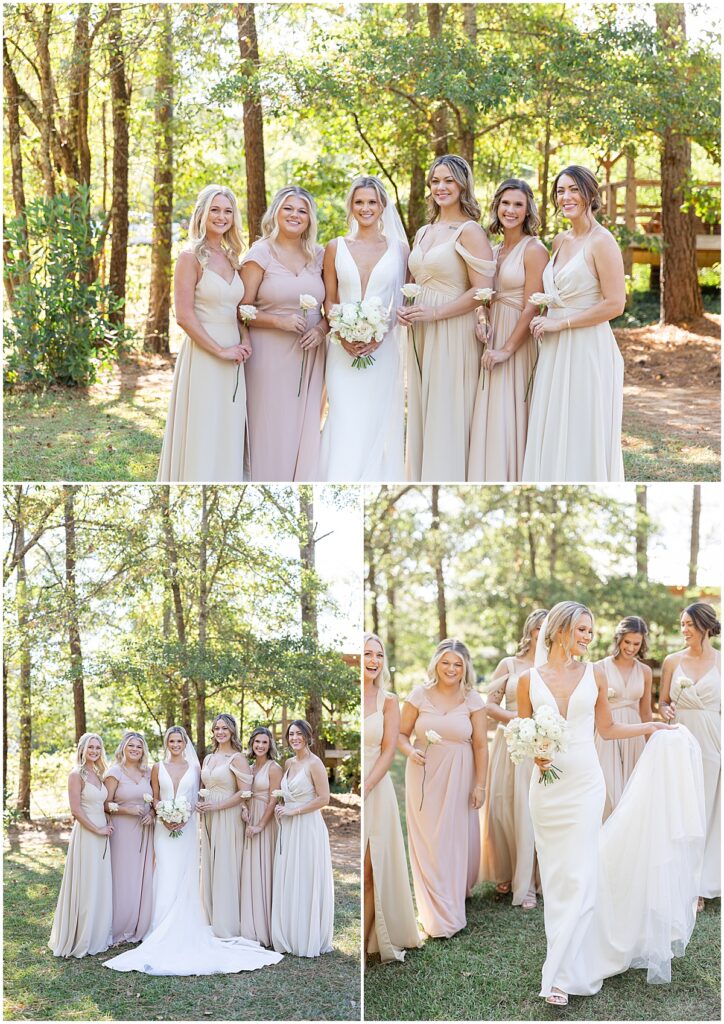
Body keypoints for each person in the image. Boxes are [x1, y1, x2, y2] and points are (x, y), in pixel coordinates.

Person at [517, 602, 704, 1006]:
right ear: (560, 629)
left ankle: (560, 975)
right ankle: (567, 955)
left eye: (590, 630)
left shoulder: (595, 675)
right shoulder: (528, 680)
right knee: (557, 879)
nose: (587, 636)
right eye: (581, 629)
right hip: (547, 791)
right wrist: (535, 753)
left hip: (585, 784)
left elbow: (607, 727)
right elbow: (523, 733)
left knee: (582, 875)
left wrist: (650, 726)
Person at [104, 726, 282, 975]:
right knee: (164, 871)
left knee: (185, 873)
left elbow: (200, 795)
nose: (175, 744)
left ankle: (186, 919)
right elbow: (154, 797)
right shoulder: (157, 767)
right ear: (166, 743)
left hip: (187, 828)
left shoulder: (196, 768)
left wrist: (186, 815)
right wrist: (163, 815)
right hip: (163, 829)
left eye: (179, 740)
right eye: (171, 740)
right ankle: (158, 923)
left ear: (184, 743)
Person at [522, 166, 625, 482]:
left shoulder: (602, 242)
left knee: (581, 422)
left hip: (586, 347)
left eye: (573, 190)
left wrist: (561, 324)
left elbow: (615, 304)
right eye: (560, 191)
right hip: (553, 347)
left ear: (590, 194)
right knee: (553, 422)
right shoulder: (559, 241)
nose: (565, 197)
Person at [397, 155, 495, 481]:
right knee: (425, 408)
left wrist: (436, 313)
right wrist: (406, 306)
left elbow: (482, 291)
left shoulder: (470, 232)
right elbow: (416, 280)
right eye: (436, 181)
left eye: (449, 181)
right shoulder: (424, 231)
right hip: (420, 329)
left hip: (452, 328)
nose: (441, 187)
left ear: (463, 184)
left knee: (447, 409)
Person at [157, 185, 250, 482]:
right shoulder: (190, 257)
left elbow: (238, 311)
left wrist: (244, 342)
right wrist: (219, 350)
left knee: (228, 425)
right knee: (204, 425)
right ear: (203, 213)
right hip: (204, 354)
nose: (221, 216)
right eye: (215, 209)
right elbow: (184, 315)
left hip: (235, 355)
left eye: (227, 211)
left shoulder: (234, 257)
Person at [320, 175, 408, 481]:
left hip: (383, 350)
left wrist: (380, 334)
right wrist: (343, 333)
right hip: (340, 350)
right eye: (359, 202)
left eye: (372, 202)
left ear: (383, 206)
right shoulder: (335, 247)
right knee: (344, 415)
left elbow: (402, 302)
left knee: (375, 418)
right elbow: (329, 300)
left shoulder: (400, 250)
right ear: (351, 206)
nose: (366, 208)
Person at [398, 638, 488, 938]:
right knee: (429, 840)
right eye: (446, 662)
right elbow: (400, 734)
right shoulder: (419, 694)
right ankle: (435, 910)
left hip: (460, 774)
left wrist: (480, 785)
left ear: (465, 668)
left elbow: (480, 746)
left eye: (458, 664)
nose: (451, 668)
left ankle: (452, 899)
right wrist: (410, 752)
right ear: (436, 663)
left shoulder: (473, 699)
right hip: (423, 775)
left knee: (452, 839)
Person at [239, 186, 326, 481]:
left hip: (310, 356)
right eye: (288, 208)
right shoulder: (260, 253)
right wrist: (279, 322)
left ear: (310, 218)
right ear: (276, 212)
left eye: (302, 210)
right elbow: (241, 310)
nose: (295, 215)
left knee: (304, 428)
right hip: (268, 357)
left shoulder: (319, 255)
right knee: (271, 428)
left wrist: (322, 330)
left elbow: (330, 309)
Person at [468, 179, 548, 481]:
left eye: (518, 204)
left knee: (508, 414)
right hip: (492, 335)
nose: (510, 210)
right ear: (496, 206)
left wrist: (507, 350)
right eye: (505, 203)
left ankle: (512, 475)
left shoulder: (535, 250)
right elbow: (482, 295)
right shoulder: (493, 249)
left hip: (517, 338)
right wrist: (482, 319)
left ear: (528, 211)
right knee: (488, 412)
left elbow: (532, 306)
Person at [479, 609, 547, 908]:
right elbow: (489, 706)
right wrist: (519, 719)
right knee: (505, 809)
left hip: (540, 745)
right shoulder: (509, 664)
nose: (542, 635)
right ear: (529, 632)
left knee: (534, 811)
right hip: (510, 744)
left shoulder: (555, 667)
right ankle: (507, 870)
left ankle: (533, 879)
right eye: (538, 629)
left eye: (548, 630)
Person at [363, 633, 421, 962]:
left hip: (378, 785)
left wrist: (369, 784)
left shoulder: (389, 700)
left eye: (379, 655)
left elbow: (388, 751)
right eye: (367, 654)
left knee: (372, 868)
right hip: (359, 784)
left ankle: (369, 943)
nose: (373, 660)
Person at [659, 602, 721, 908]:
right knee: (681, 807)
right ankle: (679, 878)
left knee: (708, 808)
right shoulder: (672, 661)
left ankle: (701, 882)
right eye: (681, 624)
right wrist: (666, 709)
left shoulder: (722, 662)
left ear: (705, 626)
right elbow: (661, 703)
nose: (684, 630)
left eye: (689, 625)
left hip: (712, 741)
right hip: (681, 737)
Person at [271, 720, 334, 956]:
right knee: (289, 875)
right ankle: (289, 932)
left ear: (308, 736)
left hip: (307, 826)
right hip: (288, 826)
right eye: (291, 734)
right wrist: (282, 805)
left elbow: (324, 798)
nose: (294, 738)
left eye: (299, 734)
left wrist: (294, 811)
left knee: (305, 876)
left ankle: (306, 936)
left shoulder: (314, 763)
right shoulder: (289, 763)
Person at [49, 733, 113, 957]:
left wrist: (110, 820)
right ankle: (81, 935)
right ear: (82, 749)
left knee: (98, 881)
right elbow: (76, 810)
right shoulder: (77, 774)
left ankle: (97, 932)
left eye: (97, 747)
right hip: (87, 833)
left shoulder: (99, 773)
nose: (94, 751)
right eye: (90, 747)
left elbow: (102, 804)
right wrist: (97, 829)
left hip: (103, 831)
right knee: (86, 881)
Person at [198, 714, 253, 938]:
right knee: (211, 864)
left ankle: (227, 922)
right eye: (216, 728)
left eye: (224, 728)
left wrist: (218, 807)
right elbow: (204, 785)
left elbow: (245, 793)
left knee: (226, 865)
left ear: (232, 731)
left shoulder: (237, 758)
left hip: (228, 815)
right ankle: (210, 917)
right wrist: (202, 803)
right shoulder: (209, 758)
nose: (220, 732)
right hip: (209, 816)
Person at [593, 616, 652, 819]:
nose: (631, 648)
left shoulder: (645, 671)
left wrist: (650, 745)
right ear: (618, 639)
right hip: (607, 733)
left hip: (635, 734)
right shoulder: (598, 668)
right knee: (608, 789)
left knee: (632, 790)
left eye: (637, 644)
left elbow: (645, 712)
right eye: (627, 642)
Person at [104, 731, 155, 944]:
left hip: (145, 832)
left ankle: (139, 924)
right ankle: (119, 925)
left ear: (143, 750)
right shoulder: (115, 773)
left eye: (139, 746)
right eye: (131, 746)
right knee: (123, 878)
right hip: (122, 832)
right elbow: (104, 804)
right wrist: (127, 810)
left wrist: (152, 814)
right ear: (123, 747)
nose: (135, 749)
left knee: (142, 877)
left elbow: (154, 802)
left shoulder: (148, 772)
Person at [240, 727, 283, 946]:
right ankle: (250, 923)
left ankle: (264, 926)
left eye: (264, 743)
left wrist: (260, 825)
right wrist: (244, 808)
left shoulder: (273, 768)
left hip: (265, 821)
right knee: (250, 869)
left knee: (263, 868)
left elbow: (273, 800)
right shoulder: (248, 767)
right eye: (257, 742)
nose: (260, 746)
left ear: (270, 745)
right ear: (251, 743)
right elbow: (244, 794)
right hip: (250, 819)